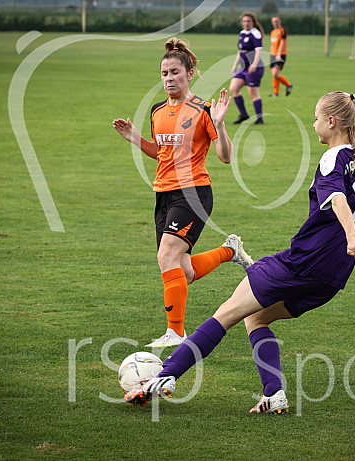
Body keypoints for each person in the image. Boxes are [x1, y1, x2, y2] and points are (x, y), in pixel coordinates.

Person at [124, 91, 355, 413]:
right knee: (256, 318)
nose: (313, 125)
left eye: (315, 118)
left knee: (226, 314)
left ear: (331, 121)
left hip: (305, 261)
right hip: (335, 272)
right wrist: (347, 239)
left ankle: (165, 377)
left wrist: (350, 236)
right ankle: (274, 394)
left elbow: (337, 196)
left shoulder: (333, 157)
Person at [113, 38, 254, 348]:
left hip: (193, 193)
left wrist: (220, 124)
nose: (168, 79)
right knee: (183, 271)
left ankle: (176, 333)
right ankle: (230, 251)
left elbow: (225, 156)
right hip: (163, 193)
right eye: (164, 73)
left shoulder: (204, 110)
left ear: (190, 73)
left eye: (175, 72)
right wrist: (135, 138)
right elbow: (162, 152)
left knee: (166, 257)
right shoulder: (156, 111)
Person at [230, 12, 265, 125]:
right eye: (244, 21)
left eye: (249, 21)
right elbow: (240, 51)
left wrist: (254, 64)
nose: (246, 23)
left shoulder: (256, 33)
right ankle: (244, 115)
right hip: (243, 68)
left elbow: (259, 50)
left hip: (254, 68)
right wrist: (235, 65)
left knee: (253, 94)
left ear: (253, 22)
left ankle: (260, 119)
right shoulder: (242, 33)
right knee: (233, 89)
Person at [269, 16, 293, 98]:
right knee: (274, 74)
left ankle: (288, 84)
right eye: (273, 21)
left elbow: (282, 43)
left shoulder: (282, 31)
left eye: (276, 21)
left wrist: (278, 54)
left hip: (280, 55)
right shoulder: (273, 32)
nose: (275, 23)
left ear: (280, 21)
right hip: (272, 55)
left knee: (276, 74)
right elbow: (272, 44)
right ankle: (276, 93)